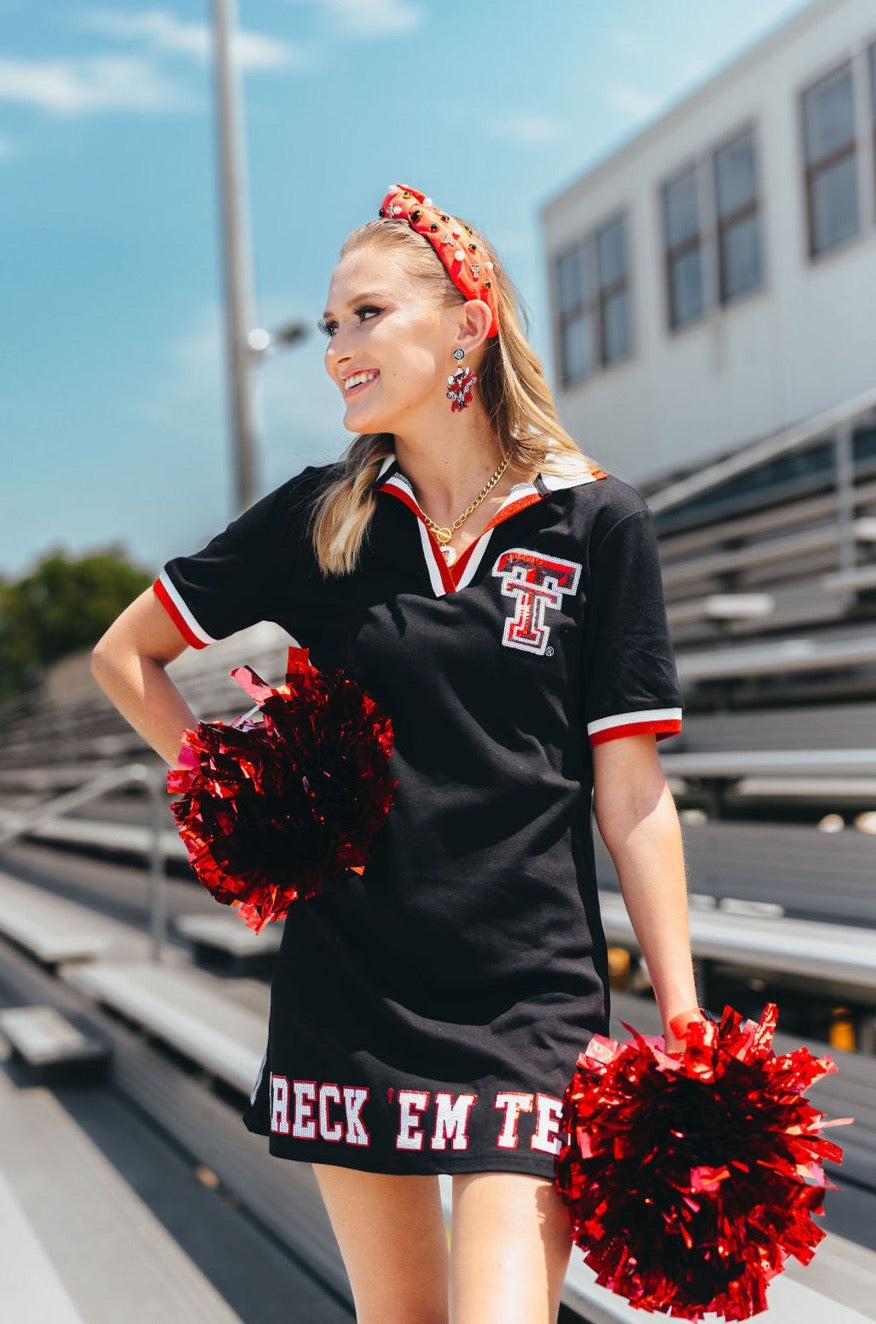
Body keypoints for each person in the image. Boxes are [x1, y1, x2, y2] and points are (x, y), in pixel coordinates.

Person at [91, 183, 703, 1324]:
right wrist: (231, 811)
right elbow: (128, 657)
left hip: (530, 1004)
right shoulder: (318, 519)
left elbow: (632, 799)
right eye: (328, 326)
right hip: (352, 994)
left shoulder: (596, 522)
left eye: (366, 314)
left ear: (466, 324)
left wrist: (683, 1013)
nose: (336, 350)